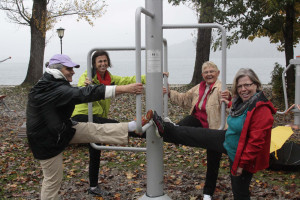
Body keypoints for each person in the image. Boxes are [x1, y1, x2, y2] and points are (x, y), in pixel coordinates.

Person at [26, 54, 152, 200]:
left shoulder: (53, 82)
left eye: (73, 68)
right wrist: (124, 89)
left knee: (95, 129)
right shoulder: (52, 87)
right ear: (57, 69)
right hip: (46, 140)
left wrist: (150, 78)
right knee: (53, 181)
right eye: (69, 68)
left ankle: (132, 126)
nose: (73, 71)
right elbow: (82, 93)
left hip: (61, 129)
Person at [151, 68, 276, 200]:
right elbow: (184, 99)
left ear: (256, 84)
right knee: (195, 134)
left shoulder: (261, 109)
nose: (243, 89)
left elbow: (255, 143)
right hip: (228, 139)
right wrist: (168, 89)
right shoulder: (241, 102)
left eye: (247, 85)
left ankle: (209, 192)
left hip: (242, 154)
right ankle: (166, 128)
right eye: (239, 86)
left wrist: (241, 165)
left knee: (240, 191)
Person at [71, 50, 146, 196]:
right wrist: (86, 85)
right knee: (115, 125)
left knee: (95, 149)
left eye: (105, 61)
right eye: (100, 61)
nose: (103, 64)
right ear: (94, 63)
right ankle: (135, 128)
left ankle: (93, 187)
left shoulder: (110, 78)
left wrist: (152, 76)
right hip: (82, 116)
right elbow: (81, 88)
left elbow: (128, 79)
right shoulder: (88, 76)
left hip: (96, 117)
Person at [165, 61, 230, 200]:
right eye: (206, 72)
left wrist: (228, 99)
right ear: (202, 75)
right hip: (198, 122)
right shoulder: (198, 88)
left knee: (213, 161)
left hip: (214, 129)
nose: (209, 74)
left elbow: (230, 104)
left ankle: (208, 193)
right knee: (185, 122)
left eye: (212, 71)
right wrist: (169, 92)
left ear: (217, 73)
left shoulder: (220, 88)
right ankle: (171, 131)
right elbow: (183, 99)